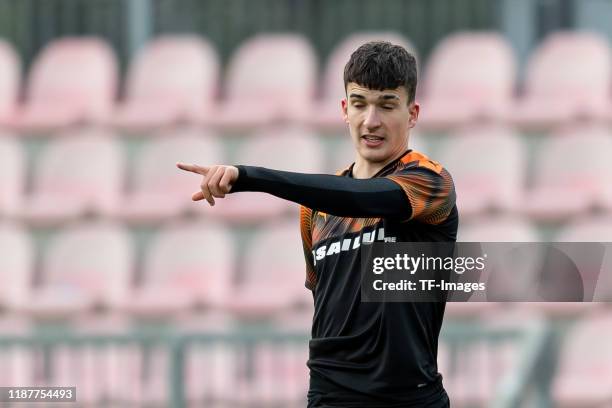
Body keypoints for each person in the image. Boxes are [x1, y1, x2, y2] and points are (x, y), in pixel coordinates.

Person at [178, 41, 457, 408]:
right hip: (330, 398)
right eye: (359, 104)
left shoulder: (429, 183)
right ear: (344, 109)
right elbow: (326, 305)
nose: (370, 121)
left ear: (413, 113)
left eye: (387, 105)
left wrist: (248, 177)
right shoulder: (315, 212)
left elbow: (361, 197)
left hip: (409, 399)